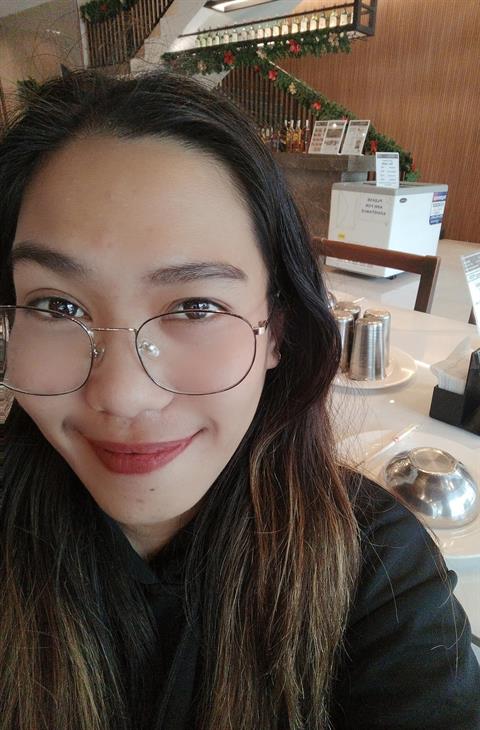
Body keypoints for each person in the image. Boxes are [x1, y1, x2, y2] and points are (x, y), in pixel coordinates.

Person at [0, 68, 478, 730]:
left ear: (277, 328)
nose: (123, 396)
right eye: (57, 306)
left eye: (195, 306)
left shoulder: (376, 570)